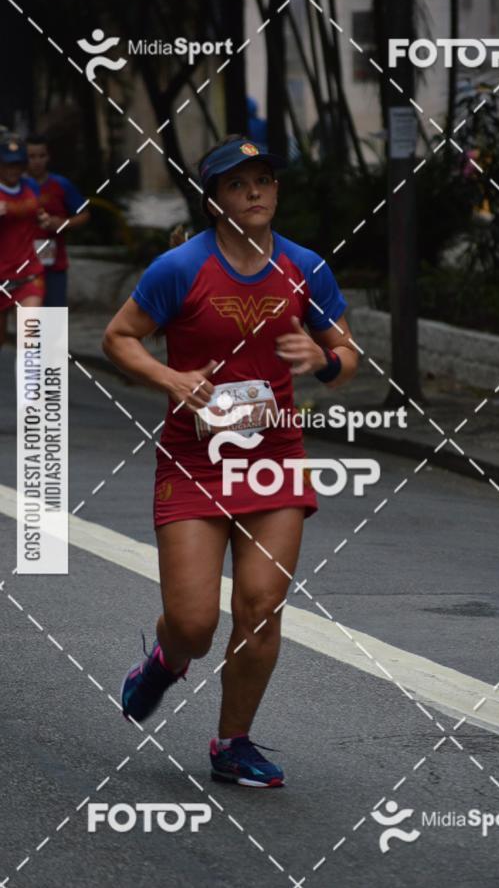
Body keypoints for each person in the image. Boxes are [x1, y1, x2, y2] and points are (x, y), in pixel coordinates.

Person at [103, 135, 359, 787]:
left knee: (260, 607)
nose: (254, 192)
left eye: (264, 180)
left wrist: (323, 360)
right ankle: (167, 657)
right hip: (194, 463)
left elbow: (347, 356)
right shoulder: (179, 269)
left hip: (274, 462)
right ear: (214, 198)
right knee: (195, 623)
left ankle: (232, 743)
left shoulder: (305, 268)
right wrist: (173, 378)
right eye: (238, 183)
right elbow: (118, 338)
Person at [26, 135, 90, 307]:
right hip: (24, 265)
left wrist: (63, 223)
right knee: (30, 325)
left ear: (48, 157)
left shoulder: (61, 184)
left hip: (54, 263)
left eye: (41, 156)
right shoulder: (17, 186)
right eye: (31, 157)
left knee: (53, 320)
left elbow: (84, 214)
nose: (37, 161)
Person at [0, 133, 46, 349]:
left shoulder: (31, 187)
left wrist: (44, 218)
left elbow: (38, 212)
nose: (13, 169)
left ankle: (33, 382)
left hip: (28, 275)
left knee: (31, 343)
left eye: (18, 164)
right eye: (8, 164)